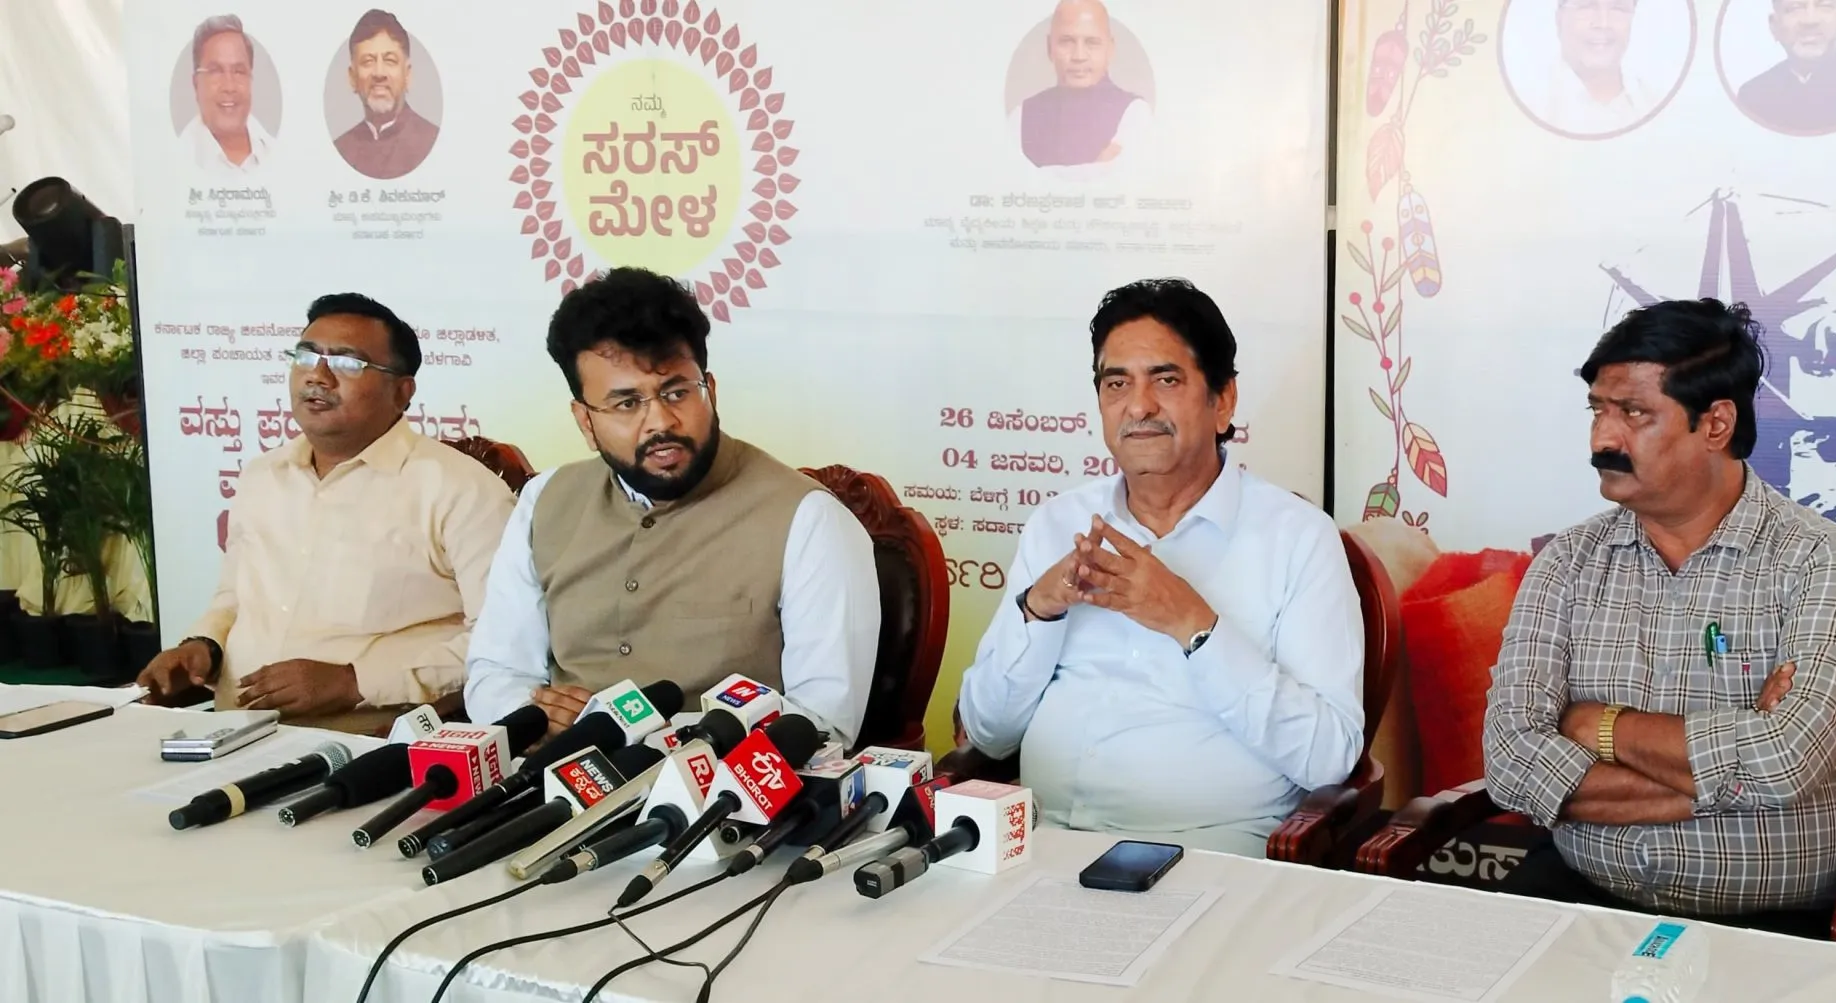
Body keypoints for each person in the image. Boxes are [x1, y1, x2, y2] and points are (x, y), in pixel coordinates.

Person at [1481, 298, 1836, 934]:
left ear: (1716, 424)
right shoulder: (1569, 560)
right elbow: (1510, 762)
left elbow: (1786, 761)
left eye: (1634, 413)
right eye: (1597, 410)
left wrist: (1595, 725)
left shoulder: (1823, 560)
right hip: (1580, 894)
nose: (1602, 439)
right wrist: (1732, 774)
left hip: (1769, 922)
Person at [956, 278, 1363, 857]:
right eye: (1116, 383)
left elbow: (1330, 756)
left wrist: (1192, 624)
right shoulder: (1058, 524)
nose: (1138, 406)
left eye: (1165, 380)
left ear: (1223, 401)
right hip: (1040, 843)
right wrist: (1038, 611)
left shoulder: (1298, 538)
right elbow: (988, 734)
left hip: (1207, 852)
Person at [463, 268, 880, 739]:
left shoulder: (809, 520)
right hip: (551, 772)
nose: (661, 422)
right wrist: (533, 713)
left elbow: (822, 726)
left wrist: (636, 733)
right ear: (584, 421)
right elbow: (496, 672)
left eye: (677, 392)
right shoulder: (545, 501)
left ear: (711, 392)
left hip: (717, 779)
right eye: (626, 404)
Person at [135, 294, 513, 733]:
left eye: (348, 363)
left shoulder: (462, 490)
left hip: (370, 744)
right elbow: (235, 598)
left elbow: (501, 641)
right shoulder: (263, 476)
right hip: (231, 733)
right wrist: (203, 647)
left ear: (402, 392)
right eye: (306, 356)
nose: (317, 376)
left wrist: (354, 682)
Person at [1012, 0, 1152, 179]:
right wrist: (1100, 166)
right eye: (1067, 42)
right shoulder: (1021, 116)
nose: (1079, 56)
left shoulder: (1136, 114)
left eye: (1092, 43)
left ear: (1110, 49)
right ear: (1049, 48)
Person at [1734, 0, 1836, 135]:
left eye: (1825, 6)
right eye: (1795, 8)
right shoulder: (1753, 97)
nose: (1810, 20)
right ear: (1774, 25)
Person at [331, 9, 440, 180]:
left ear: (407, 75)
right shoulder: (340, 148)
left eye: (390, 61)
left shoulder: (431, 140)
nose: (379, 73)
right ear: (353, 77)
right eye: (368, 61)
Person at [1537, 0, 1660, 135]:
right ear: (1559, 19)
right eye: (1586, 6)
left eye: (1618, 8)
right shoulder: (1533, 105)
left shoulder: (1656, 107)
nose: (1603, 23)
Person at [180, 15, 275, 175]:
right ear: (196, 84)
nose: (229, 87)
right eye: (216, 71)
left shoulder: (275, 151)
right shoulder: (179, 157)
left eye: (238, 71)